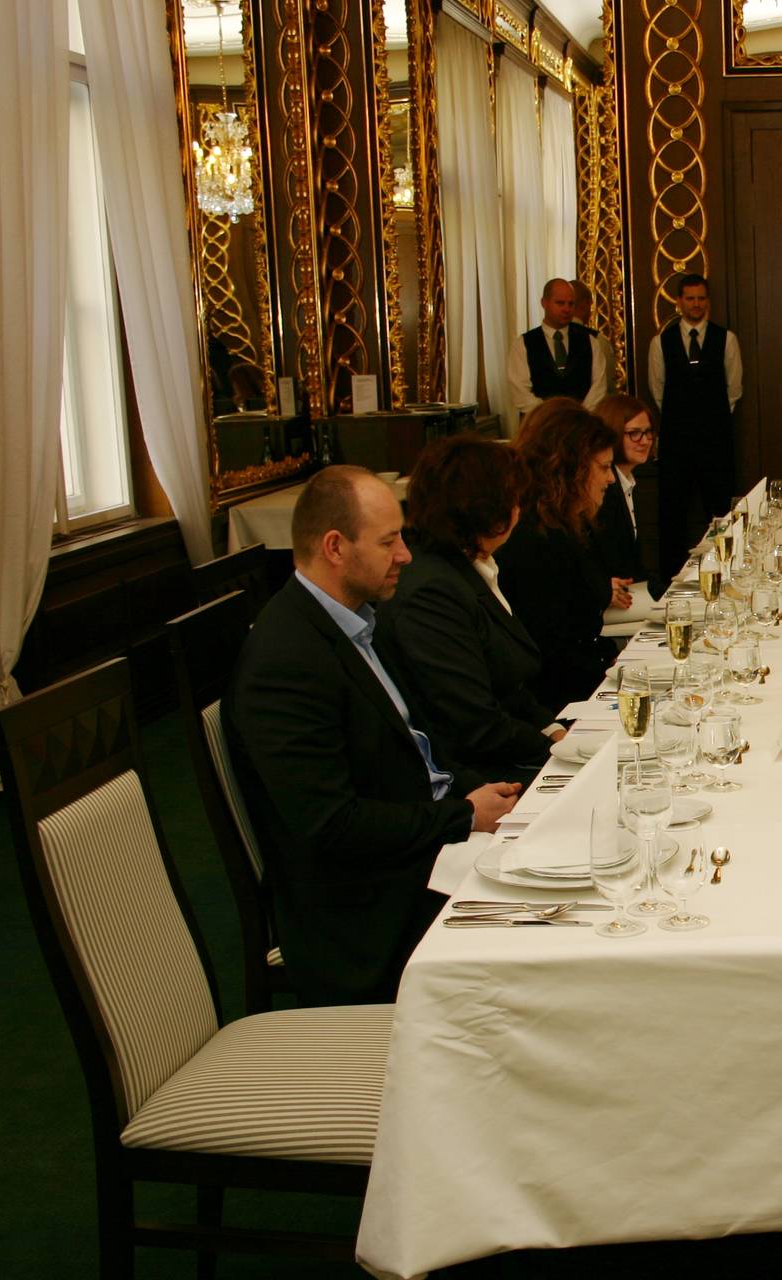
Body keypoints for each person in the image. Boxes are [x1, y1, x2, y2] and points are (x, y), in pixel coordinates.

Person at [224, 466, 521, 1006]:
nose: (405, 555)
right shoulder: (286, 660)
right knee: (545, 934)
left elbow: (416, 751)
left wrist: (490, 794)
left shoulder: (355, 621)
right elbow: (330, 824)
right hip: (366, 913)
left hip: (416, 854)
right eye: (388, 541)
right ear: (335, 547)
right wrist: (462, 816)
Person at [377, 435, 561, 776]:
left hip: (507, 750)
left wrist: (555, 730)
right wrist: (560, 751)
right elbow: (473, 725)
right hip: (474, 775)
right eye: (514, 498)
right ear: (488, 509)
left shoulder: (467, 566)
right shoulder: (431, 592)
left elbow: (508, 685)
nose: (520, 508)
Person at [497, 399, 626, 709]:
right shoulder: (532, 537)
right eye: (604, 468)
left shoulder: (566, 523)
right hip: (562, 704)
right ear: (570, 468)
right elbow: (550, 652)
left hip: (585, 681)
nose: (611, 479)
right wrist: (620, 675)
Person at [647, 273, 743, 577]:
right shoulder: (660, 342)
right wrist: (684, 419)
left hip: (717, 441)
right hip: (676, 441)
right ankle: (672, 578)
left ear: (708, 301)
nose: (696, 304)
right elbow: (658, 388)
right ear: (679, 302)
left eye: (701, 298)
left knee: (719, 511)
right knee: (672, 513)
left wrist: (710, 419)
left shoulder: (726, 339)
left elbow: (734, 389)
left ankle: (726, 571)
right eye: (690, 298)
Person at [506, 277, 614, 426]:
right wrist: (550, 416)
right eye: (560, 303)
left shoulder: (590, 342)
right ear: (544, 303)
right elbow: (520, 392)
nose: (566, 309)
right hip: (540, 427)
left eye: (571, 304)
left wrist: (578, 415)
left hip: (581, 425)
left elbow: (598, 387)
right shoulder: (523, 344)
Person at [590, 392, 658, 586]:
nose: (645, 441)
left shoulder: (627, 479)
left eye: (648, 432)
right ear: (614, 434)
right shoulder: (605, 486)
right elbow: (614, 563)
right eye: (635, 433)